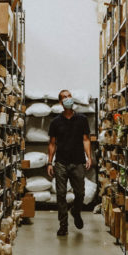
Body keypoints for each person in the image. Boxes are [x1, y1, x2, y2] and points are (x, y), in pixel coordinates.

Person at [47, 89, 92, 237]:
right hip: (61, 162)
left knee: (80, 193)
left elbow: (86, 139)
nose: (68, 99)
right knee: (61, 194)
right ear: (61, 102)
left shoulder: (82, 119)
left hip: (78, 161)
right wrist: (49, 162)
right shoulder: (55, 122)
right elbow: (52, 143)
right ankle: (63, 225)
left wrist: (89, 157)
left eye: (69, 96)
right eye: (64, 97)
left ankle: (76, 211)